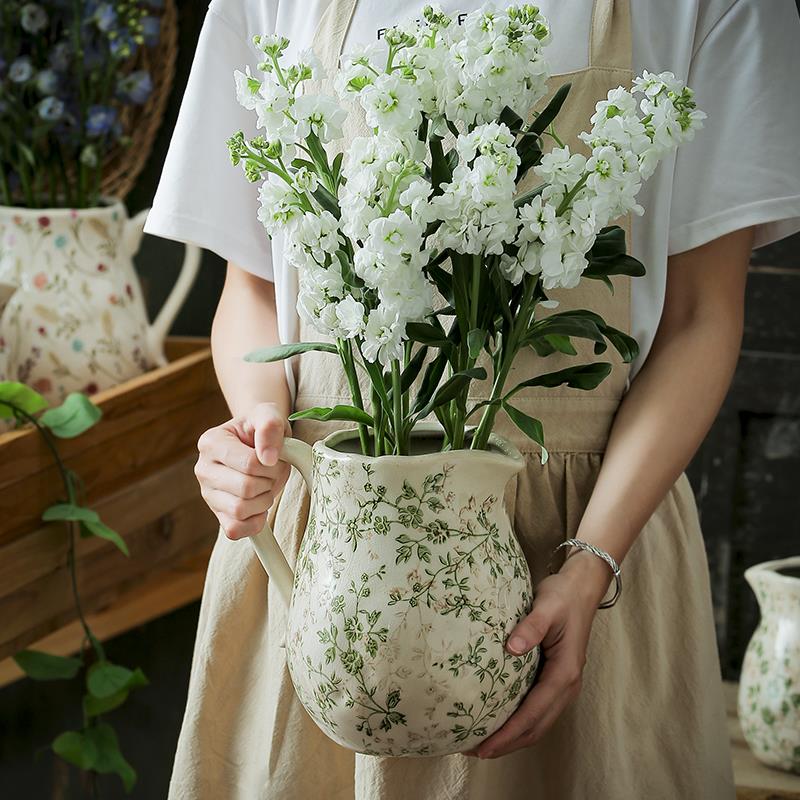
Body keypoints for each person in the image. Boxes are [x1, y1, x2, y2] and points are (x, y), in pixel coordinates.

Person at [142, 0, 800, 797]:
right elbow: (249, 281)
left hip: (585, 544)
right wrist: (255, 424)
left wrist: (590, 566)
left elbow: (702, 316)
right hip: (326, 541)